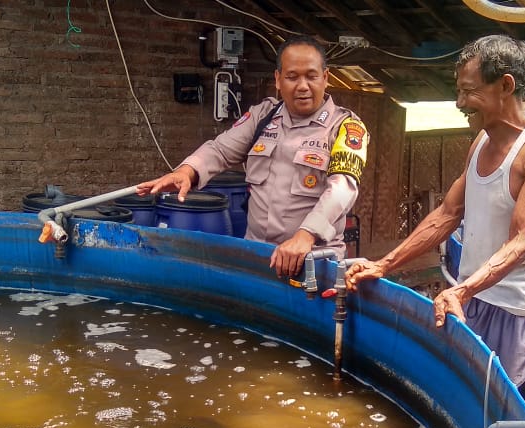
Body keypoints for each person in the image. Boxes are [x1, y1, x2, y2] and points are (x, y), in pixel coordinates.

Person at [345, 35, 525, 411]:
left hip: (516, 313)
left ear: (505, 85)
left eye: (468, 91)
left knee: (507, 421)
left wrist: (461, 291)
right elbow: (447, 214)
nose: (460, 103)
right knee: (462, 410)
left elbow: (521, 242)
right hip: (470, 301)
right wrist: (383, 265)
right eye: (459, 91)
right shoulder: (480, 142)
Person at [136, 35, 369, 278]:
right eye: (292, 77)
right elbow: (220, 149)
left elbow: (342, 188)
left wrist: (306, 235)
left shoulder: (345, 127)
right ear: (278, 79)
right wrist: (187, 172)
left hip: (314, 263)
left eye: (311, 76)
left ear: (326, 78)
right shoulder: (263, 116)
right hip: (257, 259)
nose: (302, 86)